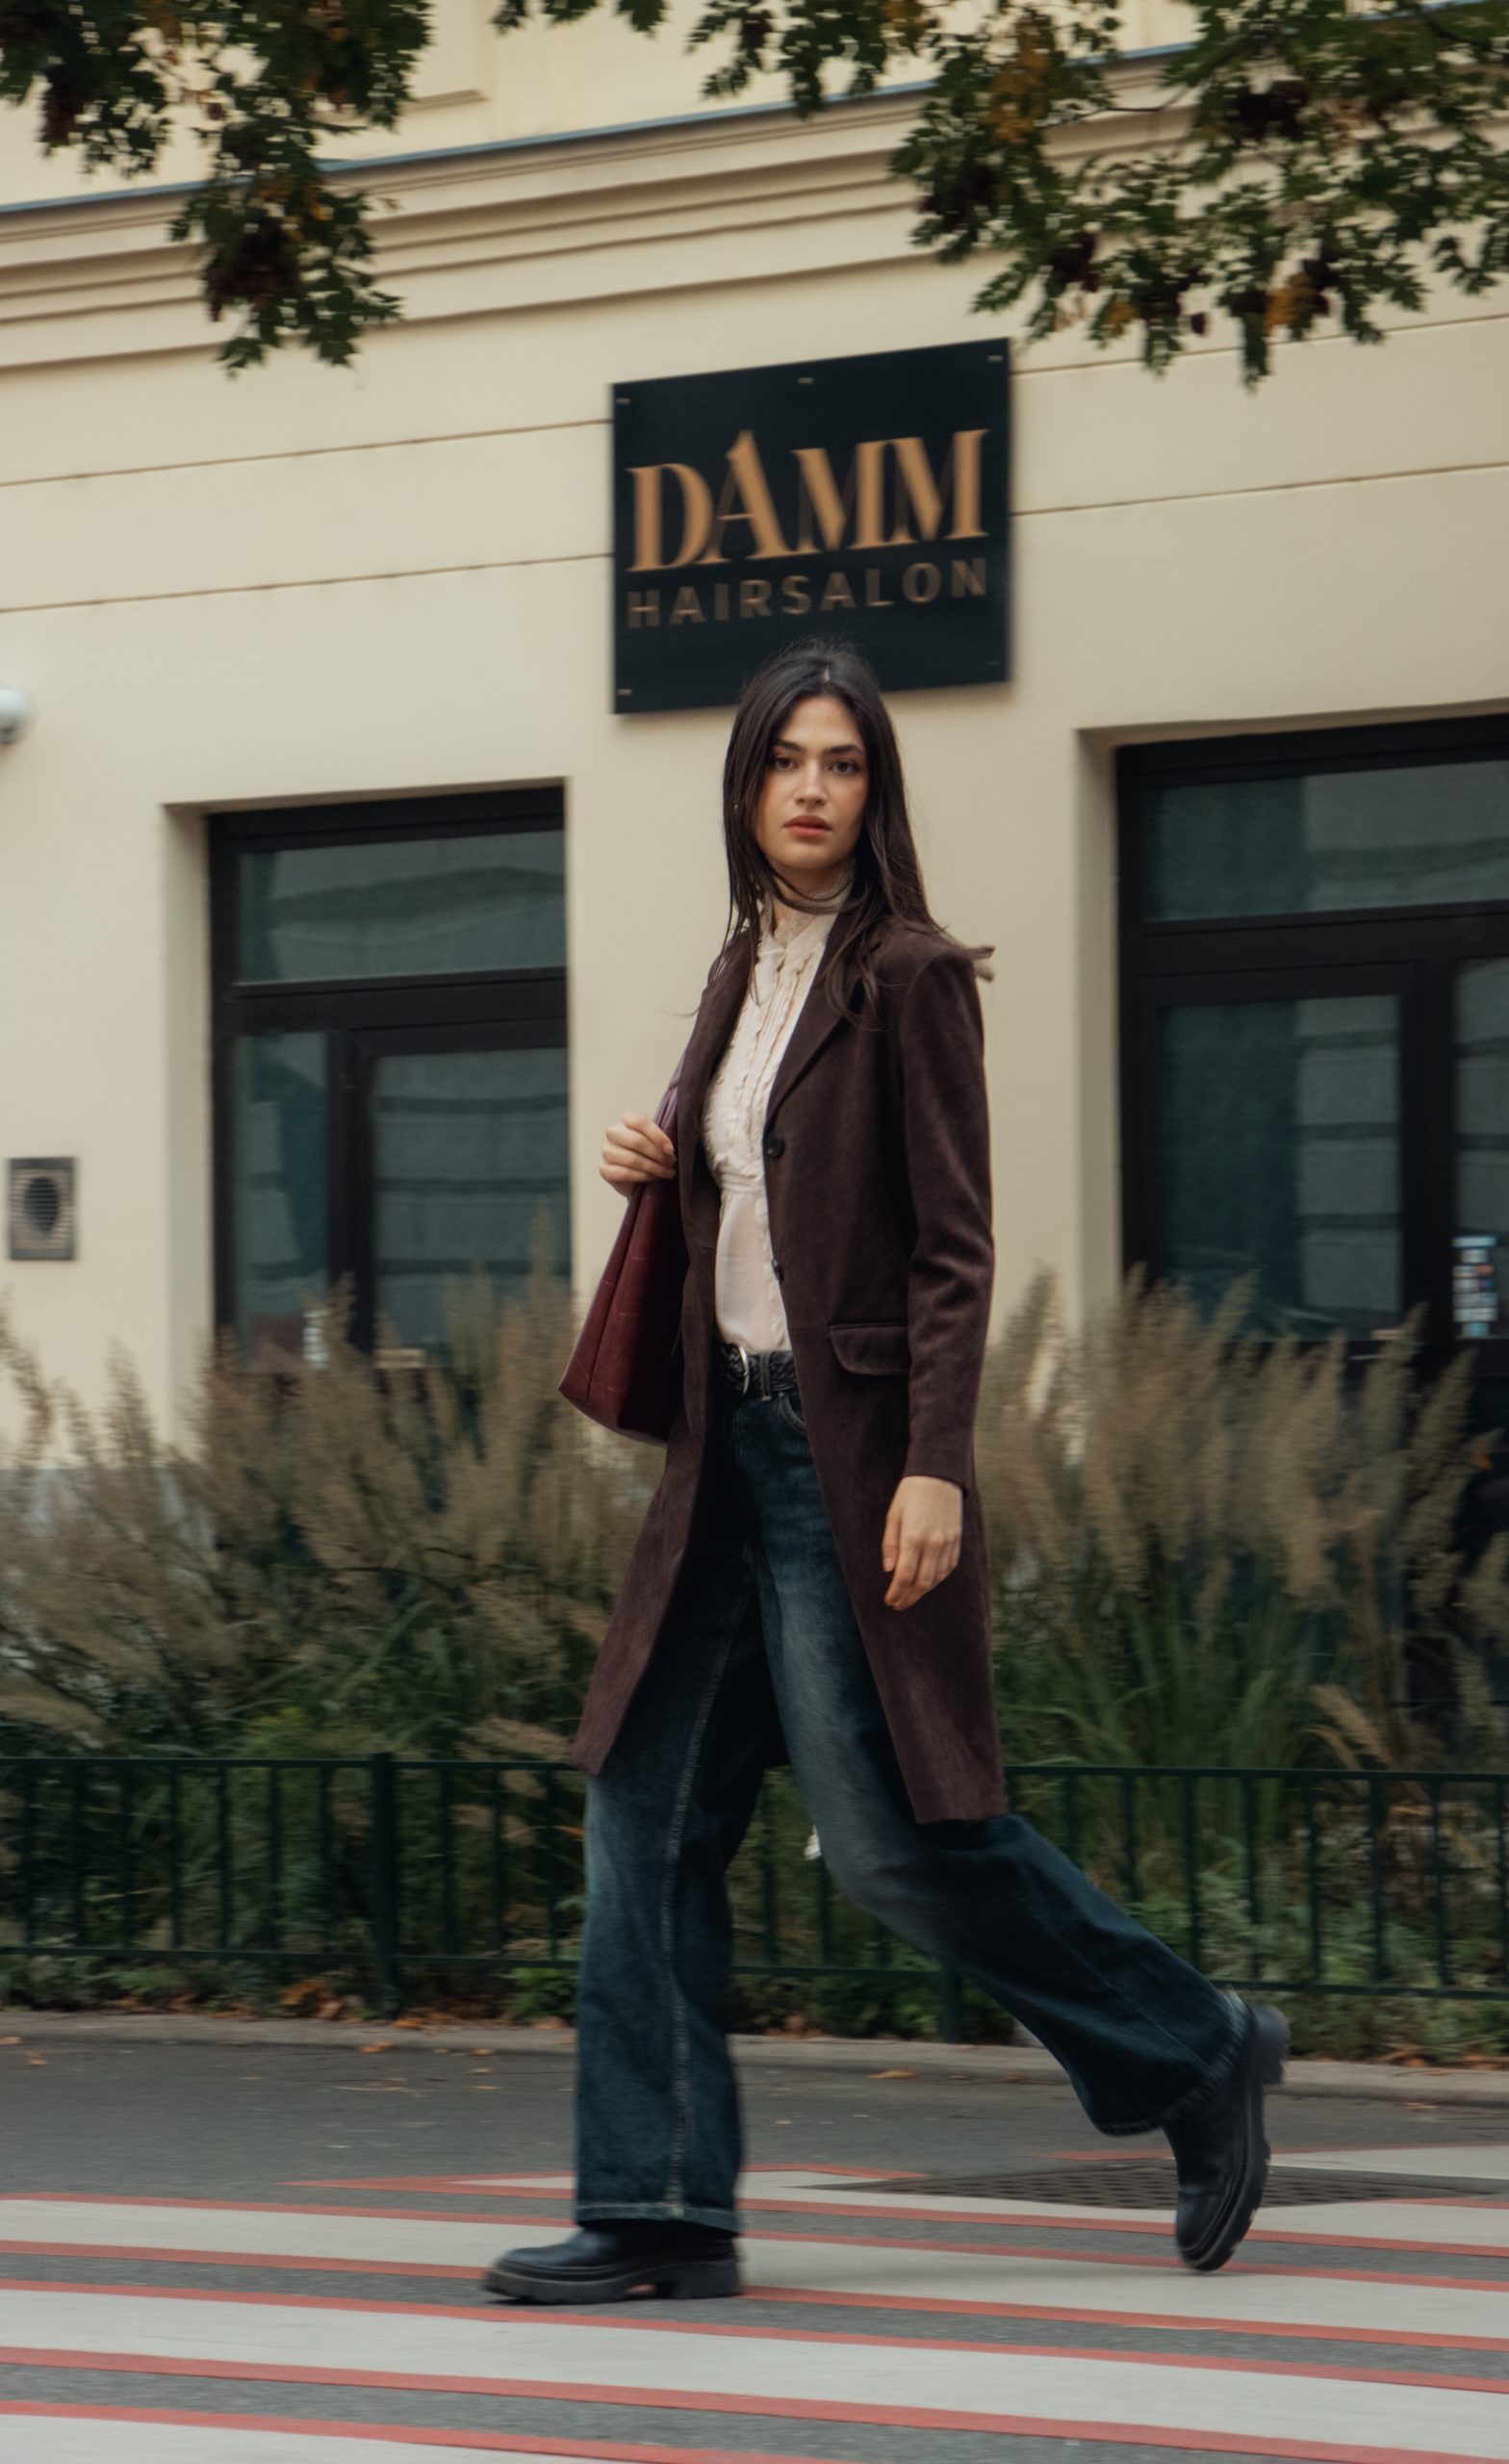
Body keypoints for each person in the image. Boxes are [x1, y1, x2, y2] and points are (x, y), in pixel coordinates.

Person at [485, 640, 1287, 2308]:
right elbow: (764, 1190)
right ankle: (657, 2209)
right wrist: (662, 1158)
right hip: (720, 1459)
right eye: (787, 757)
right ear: (748, 783)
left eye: (843, 762)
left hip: (843, 1469)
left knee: (896, 1841)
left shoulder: (910, 974)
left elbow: (950, 1250)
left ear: (876, 791)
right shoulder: (735, 974)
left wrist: (936, 1465)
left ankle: (1196, 2048)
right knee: (641, 1813)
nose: (811, 787)